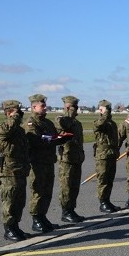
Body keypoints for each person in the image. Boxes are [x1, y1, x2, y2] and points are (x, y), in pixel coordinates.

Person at [24, 94, 69, 232]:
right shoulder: (31, 123)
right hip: (37, 162)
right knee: (38, 191)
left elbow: (54, 137)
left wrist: (61, 138)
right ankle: (36, 219)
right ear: (34, 107)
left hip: (49, 161)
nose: (45, 108)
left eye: (45, 105)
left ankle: (43, 217)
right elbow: (36, 140)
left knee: (47, 191)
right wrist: (53, 139)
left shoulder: (48, 123)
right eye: (42, 106)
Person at [0, 100, 31, 241]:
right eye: (17, 112)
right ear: (9, 112)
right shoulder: (4, 127)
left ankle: (15, 226)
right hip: (9, 171)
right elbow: (5, 131)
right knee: (9, 201)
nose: (20, 115)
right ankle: (8, 229)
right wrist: (14, 117)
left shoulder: (19, 130)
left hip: (20, 169)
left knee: (19, 201)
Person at [56, 95, 86, 223]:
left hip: (76, 158)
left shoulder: (77, 123)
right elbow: (63, 124)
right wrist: (68, 112)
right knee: (66, 187)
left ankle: (71, 209)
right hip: (66, 159)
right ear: (68, 107)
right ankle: (65, 211)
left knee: (74, 186)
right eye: (74, 106)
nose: (76, 109)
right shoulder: (61, 119)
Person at [93, 99, 121, 213]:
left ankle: (107, 200)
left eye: (109, 109)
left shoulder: (112, 123)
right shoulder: (99, 122)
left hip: (111, 154)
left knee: (110, 179)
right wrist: (103, 114)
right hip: (102, 156)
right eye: (106, 109)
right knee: (103, 180)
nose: (108, 111)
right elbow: (99, 125)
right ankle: (102, 202)